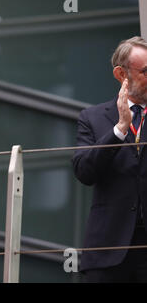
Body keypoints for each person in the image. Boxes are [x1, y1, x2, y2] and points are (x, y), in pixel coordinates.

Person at [72, 36, 147, 282]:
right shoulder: (92, 117)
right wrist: (120, 130)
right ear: (121, 75)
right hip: (108, 250)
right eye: (146, 71)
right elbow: (84, 172)